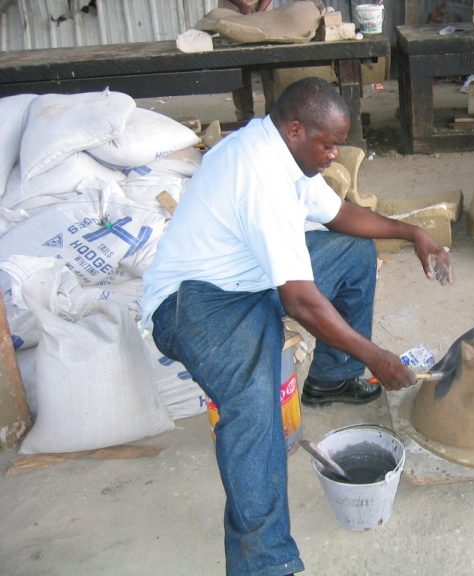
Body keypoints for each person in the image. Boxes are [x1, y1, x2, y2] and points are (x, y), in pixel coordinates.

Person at [141, 77, 452, 576]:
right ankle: (263, 563)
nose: (334, 154)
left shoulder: (286, 154)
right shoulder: (260, 174)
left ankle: (330, 378)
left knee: (352, 251)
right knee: (253, 407)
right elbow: (303, 303)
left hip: (249, 274)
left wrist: (411, 231)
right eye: (328, 144)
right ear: (294, 130)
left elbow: (337, 214)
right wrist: (378, 357)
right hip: (196, 301)